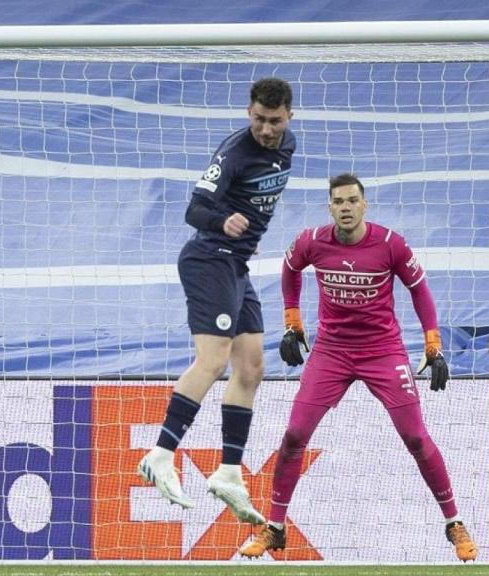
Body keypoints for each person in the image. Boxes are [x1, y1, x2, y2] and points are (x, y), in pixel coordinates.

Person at [238, 173, 478, 562]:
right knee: (295, 434)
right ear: (330, 207)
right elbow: (289, 270)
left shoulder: (390, 244)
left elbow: (420, 290)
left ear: (364, 205)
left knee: (416, 437)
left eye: (352, 201)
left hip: (382, 351)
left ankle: (454, 523)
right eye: (338, 202)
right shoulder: (311, 241)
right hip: (331, 352)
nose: (346, 208)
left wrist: (434, 345)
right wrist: (292, 322)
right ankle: (275, 528)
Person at [137, 77, 296, 524]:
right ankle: (161, 454)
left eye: (275, 121)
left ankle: (228, 471)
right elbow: (195, 209)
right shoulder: (235, 153)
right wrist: (225, 220)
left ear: (289, 117)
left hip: (236, 265)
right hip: (209, 258)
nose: (266, 129)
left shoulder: (289, 145)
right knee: (213, 360)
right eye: (259, 120)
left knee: (251, 368)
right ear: (249, 112)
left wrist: (248, 238)